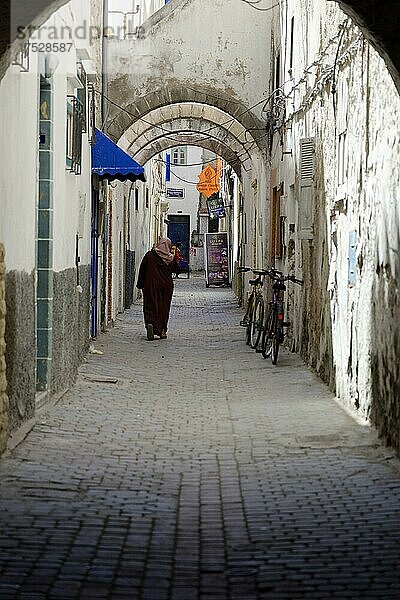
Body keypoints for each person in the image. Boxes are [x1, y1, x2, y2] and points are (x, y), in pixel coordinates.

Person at [136, 237, 179, 340]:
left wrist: (140, 284)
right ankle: (162, 331)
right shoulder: (170, 258)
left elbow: (142, 270)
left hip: (150, 285)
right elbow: (177, 269)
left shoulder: (149, 255)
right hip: (166, 287)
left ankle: (150, 323)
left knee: (150, 305)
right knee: (164, 308)